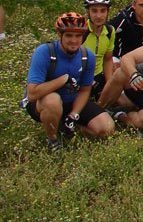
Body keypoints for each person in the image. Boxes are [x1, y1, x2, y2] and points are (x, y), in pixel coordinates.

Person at [22, 13, 113, 150]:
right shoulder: (44, 52)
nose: (74, 41)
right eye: (69, 36)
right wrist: (62, 80)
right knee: (52, 101)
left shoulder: (87, 56)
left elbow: (85, 90)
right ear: (59, 36)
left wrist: (74, 114)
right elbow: (32, 94)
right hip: (43, 102)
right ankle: (52, 140)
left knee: (107, 128)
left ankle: (69, 125)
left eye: (78, 36)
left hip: (71, 100)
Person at [82, 0, 116, 100]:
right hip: (81, 77)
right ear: (88, 12)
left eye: (103, 11)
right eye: (94, 11)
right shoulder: (81, 31)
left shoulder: (110, 31)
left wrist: (109, 84)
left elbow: (108, 59)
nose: (99, 16)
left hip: (98, 75)